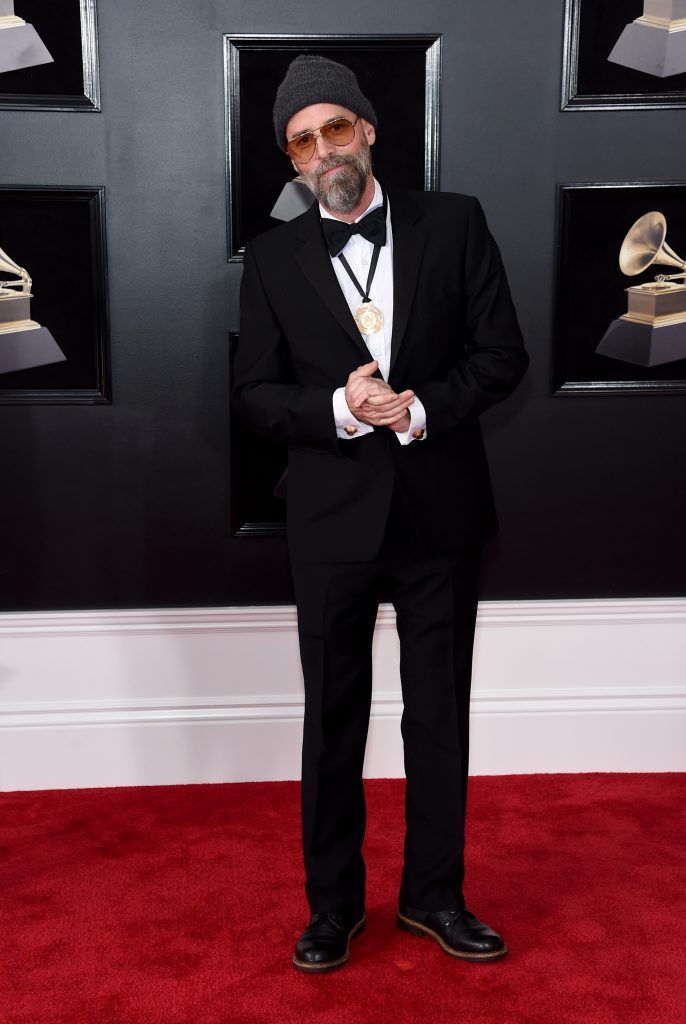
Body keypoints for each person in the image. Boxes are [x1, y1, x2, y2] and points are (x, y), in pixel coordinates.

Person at [232, 55, 529, 973]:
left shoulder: (457, 221)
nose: (324, 150)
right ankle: (333, 909)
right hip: (331, 523)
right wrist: (338, 409)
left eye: (335, 128)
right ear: (292, 162)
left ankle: (435, 896)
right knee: (334, 720)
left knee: (438, 716)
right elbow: (253, 395)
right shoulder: (274, 257)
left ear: (367, 130)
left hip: (439, 512)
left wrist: (422, 405)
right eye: (302, 140)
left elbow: (502, 353)